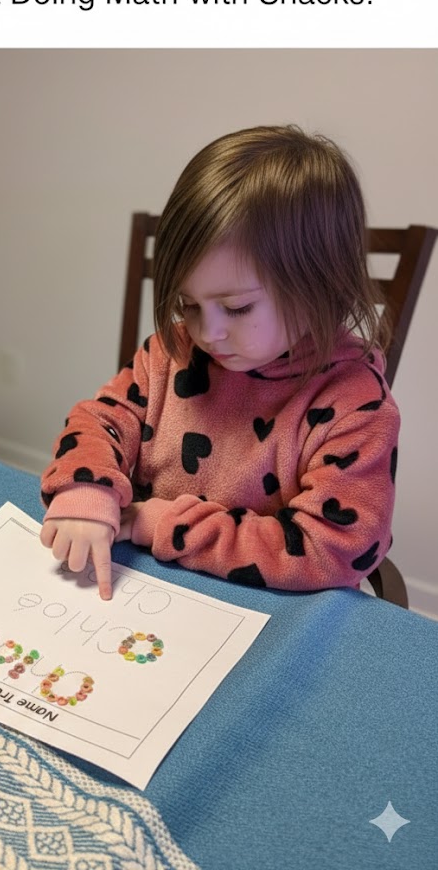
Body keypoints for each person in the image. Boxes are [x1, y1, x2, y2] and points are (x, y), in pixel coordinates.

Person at [39, 125, 400, 599]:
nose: (206, 333)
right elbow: (100, 419)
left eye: (237, 307)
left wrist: (162, 521)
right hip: (143, 595)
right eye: (188, 304)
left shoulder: (357, 405)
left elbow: (329, 548)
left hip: (266, 616)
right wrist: (86, 491)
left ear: (321, 284)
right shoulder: (171, 352)